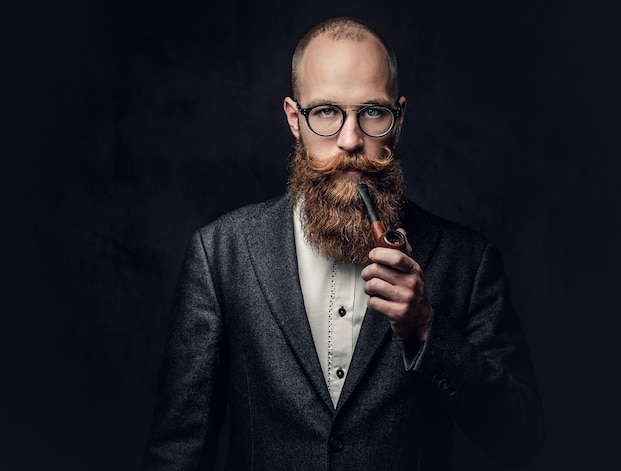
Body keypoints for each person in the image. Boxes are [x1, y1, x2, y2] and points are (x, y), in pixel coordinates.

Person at [140, 16, 544, 471]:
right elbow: (177, 454)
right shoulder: (221, 255)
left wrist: (427, 329)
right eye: (327, 112)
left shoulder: (468, 261)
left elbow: (521, 438)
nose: (350, 141)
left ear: (399, 117)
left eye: (372, 112)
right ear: (295, 119)